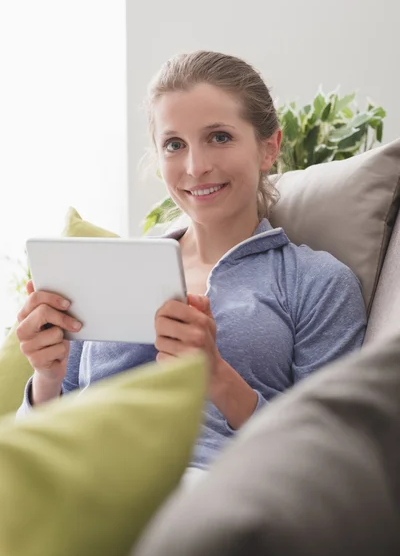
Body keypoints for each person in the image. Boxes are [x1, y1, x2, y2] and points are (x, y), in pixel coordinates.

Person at [16, 50, 367, 478]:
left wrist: (218, 377)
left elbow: (330, 460)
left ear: (269, 148)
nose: (196, 167)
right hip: (83, 483)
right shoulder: (110, 269)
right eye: (174, 145)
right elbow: (41, 446)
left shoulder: (316, 283)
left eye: (219, 137)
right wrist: (45, 378)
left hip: (207, 495)